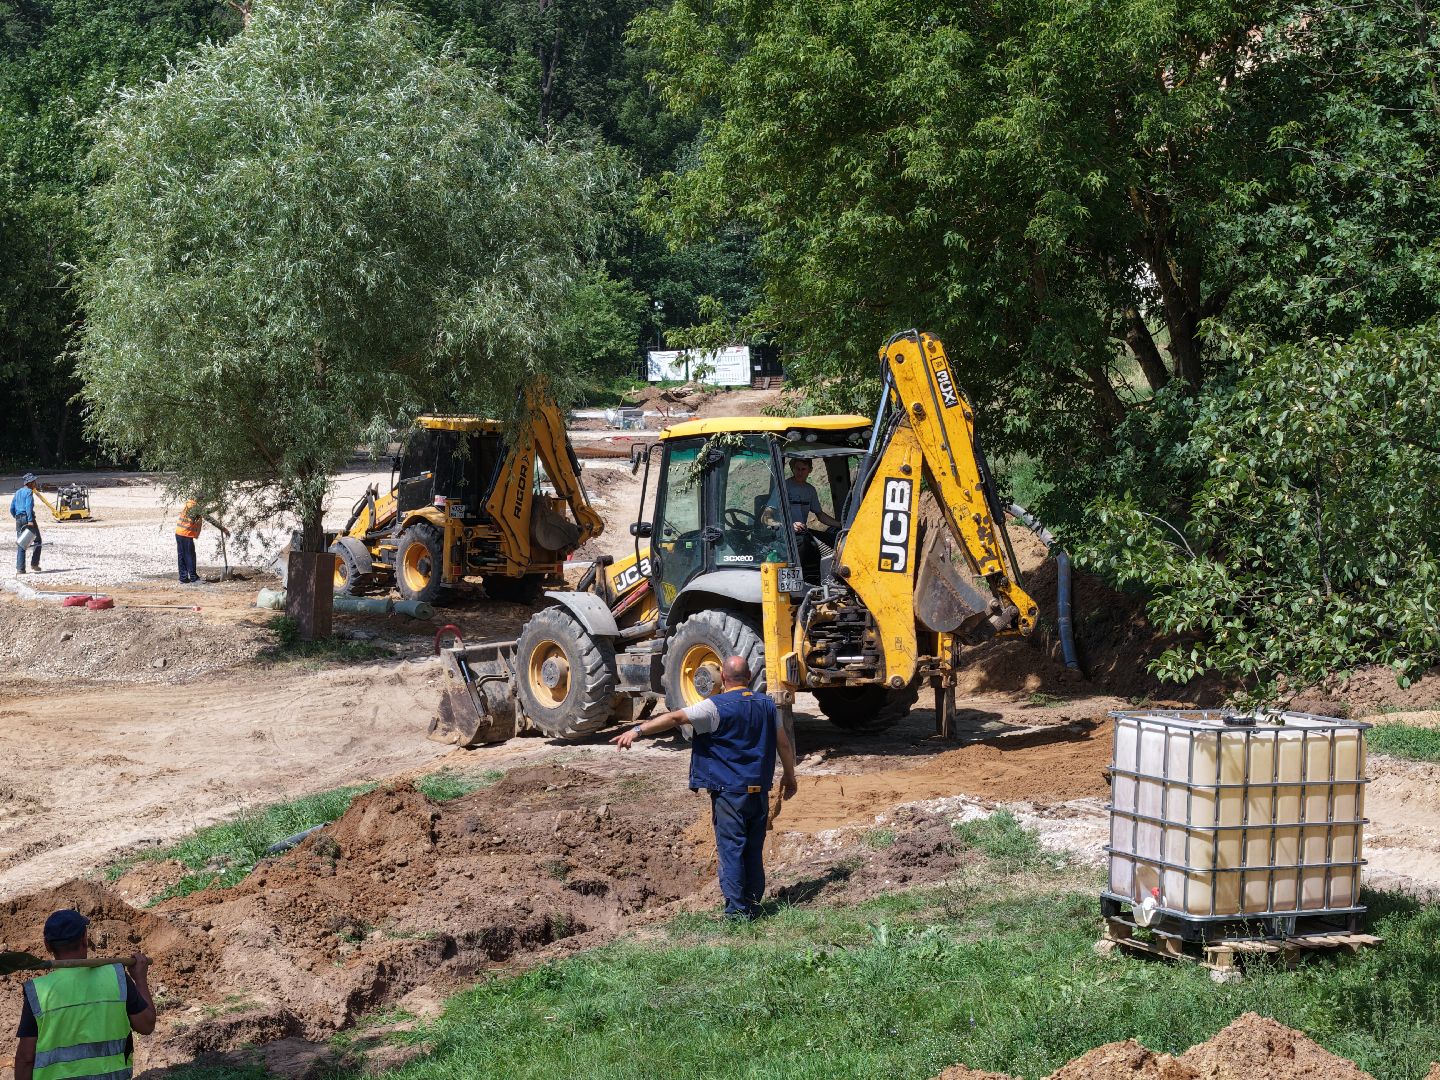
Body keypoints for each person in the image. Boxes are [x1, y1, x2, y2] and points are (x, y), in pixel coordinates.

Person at [612, 656, 798, 919]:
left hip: (729, 794)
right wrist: (789, 777)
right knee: (753, 851)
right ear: (750, 677)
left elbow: (675, 717)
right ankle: (754, 906)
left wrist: (638, 731)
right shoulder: (767, 705)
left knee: (732, 850)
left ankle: (736, 914)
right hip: (759, 791)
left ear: (722, 678)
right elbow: (784, 744)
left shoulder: (714, 706)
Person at [13, 909, 155, 1080]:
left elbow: (26, 1058)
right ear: (84, 939)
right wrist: (140, 979)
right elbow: (146, 1026)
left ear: (47, 945)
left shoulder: (38, 991)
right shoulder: (116, 978)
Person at [174, 499, 229, 584]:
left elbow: (205, 512)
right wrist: (223, 529)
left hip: (179, 533)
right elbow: (209, 518)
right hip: (186, 534)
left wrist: (217, 507)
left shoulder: (190, 504)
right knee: (190, 556)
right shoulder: (196, 508)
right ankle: (194, 578)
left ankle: (183, 578)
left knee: (182, 556)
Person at [782, 458, 840, 535]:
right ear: (792, 468)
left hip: (801, 533)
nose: (800, 472)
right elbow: (766, 516)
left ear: (810, 470)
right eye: (797, 469)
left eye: (803, 469)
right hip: (785, 536)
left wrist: (841, 525)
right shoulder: (783, 487)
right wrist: (788, 526)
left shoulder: (810, 490)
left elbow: (820, 515)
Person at [10, 473, 41, 576]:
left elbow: (12, 508)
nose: (35, 483)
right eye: (34, 482)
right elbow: (28, 507)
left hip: (18, 519)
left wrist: (17, 517)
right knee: (37, 541)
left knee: (21, 543)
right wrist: (30, 520)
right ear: (30, 483)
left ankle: (20, 569)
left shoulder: (18, 492)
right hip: (28, 518)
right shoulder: (29, 492)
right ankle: (34, 564)